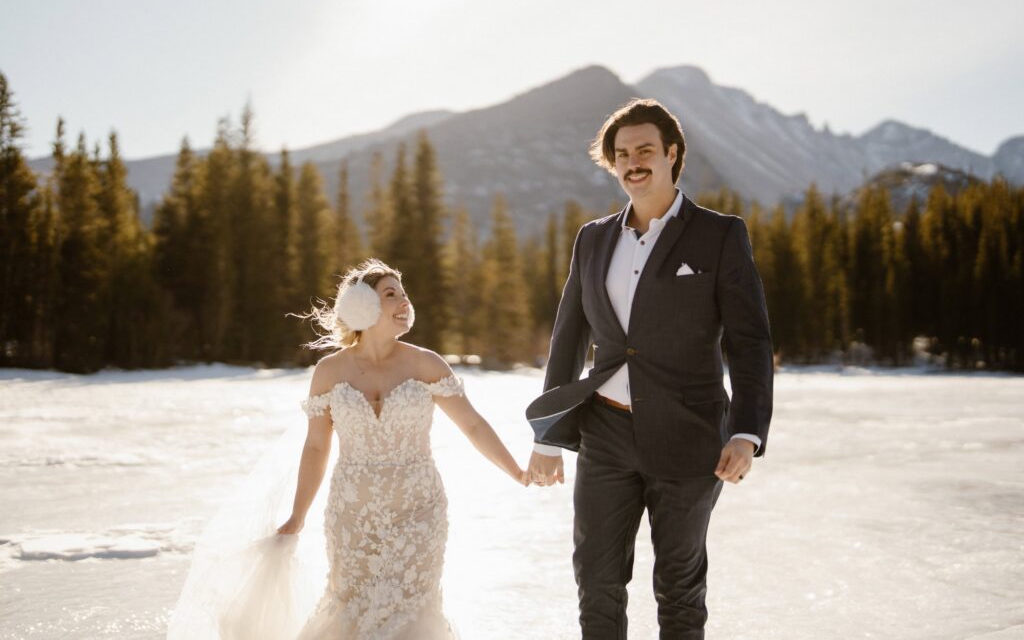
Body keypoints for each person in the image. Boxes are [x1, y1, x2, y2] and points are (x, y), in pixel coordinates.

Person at [168, 258, 528, 640]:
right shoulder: (329, 371)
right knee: (351, 605)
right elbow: (316, 447)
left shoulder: (426, 364)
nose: (404, 302)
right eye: (391, 294)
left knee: (410, 607)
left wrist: (516, 470)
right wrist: (298, 514)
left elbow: (472, 425)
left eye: (404, 294)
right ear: (362, 306)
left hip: (419, 510)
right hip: (351, 515)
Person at [526, 99, 774, 639]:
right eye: (622, 154)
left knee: (679, 586)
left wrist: (747, 432)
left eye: (645, 151)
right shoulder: (592, 239)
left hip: (690, 435)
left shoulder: (719, 234)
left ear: (672, 154)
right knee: (596, 580)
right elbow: (570, 337)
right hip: (605, 432)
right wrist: (547, 437)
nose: (633, 162)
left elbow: (749, 342)